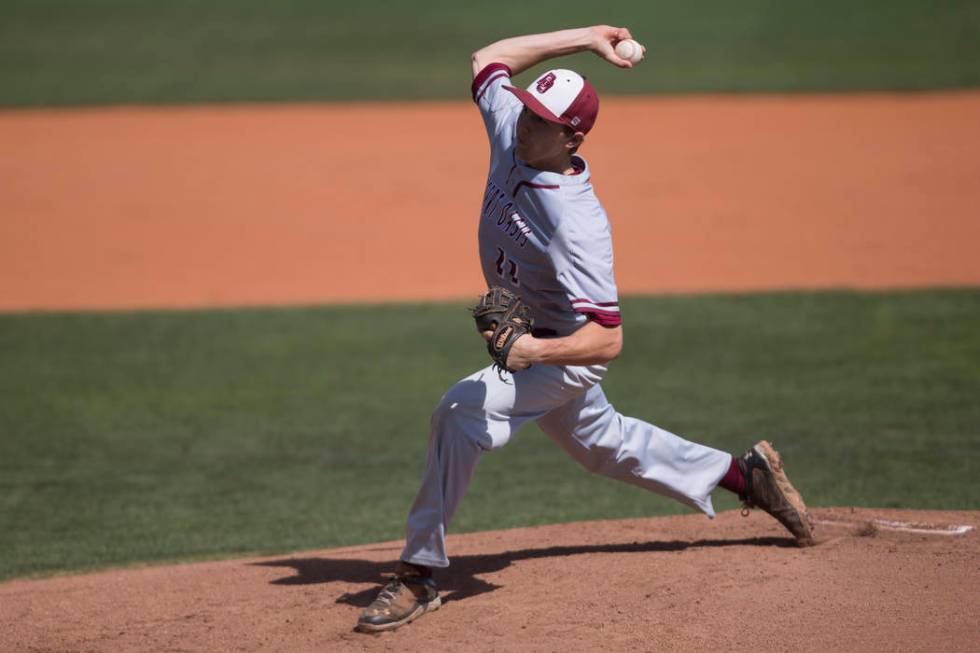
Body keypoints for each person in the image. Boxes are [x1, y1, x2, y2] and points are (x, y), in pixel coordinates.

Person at [356, 25, 814, 634]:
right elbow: (487, 59)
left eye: (541, 119)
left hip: (568, 352)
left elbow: (608, 339)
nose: (524, 122)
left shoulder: (578, 223)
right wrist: (587, 37)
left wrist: (531, 351)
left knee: (459, 411)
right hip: (540, 340)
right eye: (527, 109)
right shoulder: (512, 128)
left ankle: (417, 574)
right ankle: (742, 474)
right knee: (606, 445)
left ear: (571, 135)